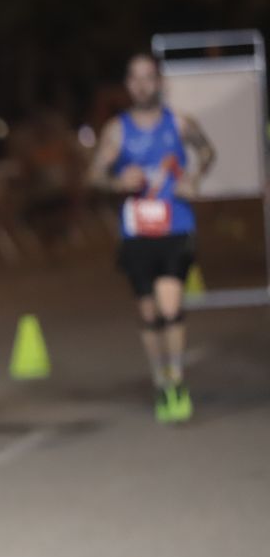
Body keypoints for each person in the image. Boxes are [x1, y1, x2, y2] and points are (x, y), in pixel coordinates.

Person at [88, 53, 215, 423]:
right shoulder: (118, 130)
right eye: (135, 78)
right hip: (137, 231)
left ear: (160, 83)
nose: (142, 85)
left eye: (149, 77)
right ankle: (160, 378)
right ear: (128, 86)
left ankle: (176, 377)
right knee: (149, 312)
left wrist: (193, 177)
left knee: (171, 306)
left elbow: (207, 151)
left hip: (175, 226)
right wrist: (116, 182)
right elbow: (94, 174)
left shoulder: (179, 123)